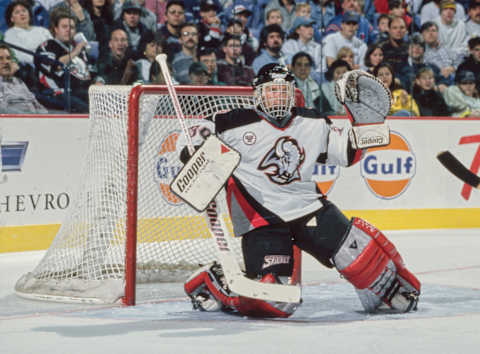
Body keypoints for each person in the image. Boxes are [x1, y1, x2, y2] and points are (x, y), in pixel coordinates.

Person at [182, 63, 421, 318]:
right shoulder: (231, 122)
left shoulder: (313, 121)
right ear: (258, 94)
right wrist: (190, 152)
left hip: (310, 208)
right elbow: (188, 139)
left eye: (283, 91)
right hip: (262, 221)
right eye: (272, 91)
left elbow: (344, 154)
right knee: (275, 302)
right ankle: (213, 281)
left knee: (360, 258)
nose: (278, 97)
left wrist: (362, 126)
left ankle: (382, 291)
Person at [35, 9, 94, 112]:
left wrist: (98, 82)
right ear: (56, 29)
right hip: (56, 92)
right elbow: (55, 66)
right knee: (86, 109)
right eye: (64, 27)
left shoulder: (78, 48)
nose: (68, 30)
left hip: (80, 91)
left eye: (72, 27)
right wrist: (75, 52)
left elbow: (90, 73)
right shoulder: (47, 46)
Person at [0, 43, 48, 114]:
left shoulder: (18, 81)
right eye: (0, 59)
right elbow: (2, 109)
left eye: (8, 58)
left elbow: (35, 103)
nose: (6, 62)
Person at [4, 0, 52, 67]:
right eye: (17, 12)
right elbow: (19, 56)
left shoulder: (43, 31)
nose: (22, 14)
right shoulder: (9, 34)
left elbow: (53, 47)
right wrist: (40, 61)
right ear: (12, 18)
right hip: (31, 69)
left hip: (51, 64)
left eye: (24, 11)